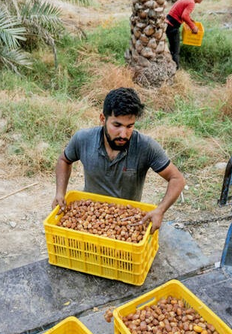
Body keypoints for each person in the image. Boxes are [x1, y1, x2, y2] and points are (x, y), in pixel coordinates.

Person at [52, 88, 186, 233]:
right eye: (117, 125)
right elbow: (64, 160)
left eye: (130, 126)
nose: (124, 134)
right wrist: (60, 193)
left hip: (127, 221)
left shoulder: (145, 146)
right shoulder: (83, 139)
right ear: (103, 119)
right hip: (89, 212)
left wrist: (160, 210)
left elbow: (177, 179)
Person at [165, 0, 206, 69]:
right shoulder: (191, 3)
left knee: (172, 49)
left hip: (168, 23)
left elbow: (182, 13)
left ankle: (169, 67)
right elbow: (184, 16)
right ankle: (176, 72)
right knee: (175, 52)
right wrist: (193, 27)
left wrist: (190, 20)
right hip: (172, 26)